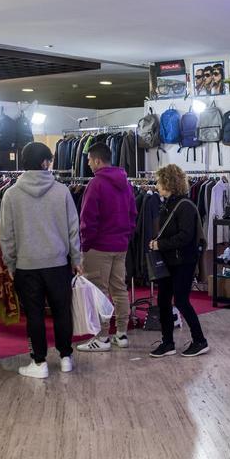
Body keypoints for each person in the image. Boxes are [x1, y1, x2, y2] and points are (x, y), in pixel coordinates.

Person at [0, 142, 84, 378]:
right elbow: (73, 228)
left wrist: (10, 263)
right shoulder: (62, 191)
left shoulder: (11, 194)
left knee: (34, 315)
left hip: (26, 265)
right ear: (44, 162)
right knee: (62, 311)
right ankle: (66, 357)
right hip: (58, 263)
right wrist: (76, 258)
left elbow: (6, 235)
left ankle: (39, 362)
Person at [76, 142, 138, 352]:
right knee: (119, 289)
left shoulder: (96, 184)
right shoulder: (125, 183)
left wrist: (85, 246)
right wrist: (125, 236)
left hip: (98, 246)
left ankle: (102, 337)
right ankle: (121, 334)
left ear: (97, 160)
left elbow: (88, 219)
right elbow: (132, 213)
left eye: (89, 160)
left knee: (99, 292)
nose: (88, 164)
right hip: (120, 245)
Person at [148, 164, 208, 358]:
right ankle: (168, 342)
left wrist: (160, 244)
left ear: (168, 183)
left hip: (183, 262)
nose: (156, 185)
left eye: (159, 181)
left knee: (181, 301)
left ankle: (200, 340)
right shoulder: (168, 204)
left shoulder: (185, 206)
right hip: (170, 261)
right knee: (163, 301)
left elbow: (185, 236)